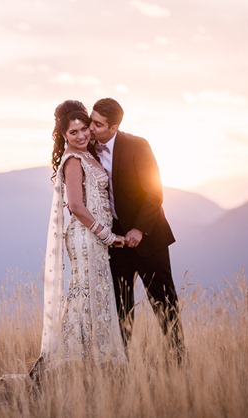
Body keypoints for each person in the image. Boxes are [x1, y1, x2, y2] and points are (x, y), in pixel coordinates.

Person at [0, 100, 127, 385]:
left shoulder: (88, 154)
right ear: (64, 136)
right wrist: (108, 236)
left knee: (91, 295)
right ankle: (57, 366)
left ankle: (88, 362)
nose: (81, 135)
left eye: (84, 129)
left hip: (95, 239)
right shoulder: (73, 160)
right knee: (83, 295)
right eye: (73, 132)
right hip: (86, 238)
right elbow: (76, 206)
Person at [90, 98, 185, 361]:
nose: (92, 127)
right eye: (92, 120)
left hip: (149, 239)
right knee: (120, 306)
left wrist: (139, 230)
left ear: (114, 127)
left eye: (98, 124)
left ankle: (178, 360)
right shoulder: (87, 147)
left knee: (164, 303)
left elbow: (154, 193)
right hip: (114, 243)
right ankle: (124, 363)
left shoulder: (137, 146)